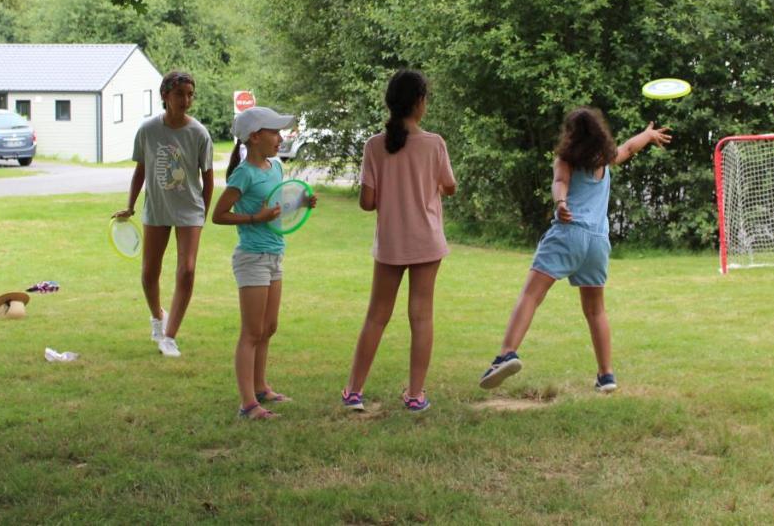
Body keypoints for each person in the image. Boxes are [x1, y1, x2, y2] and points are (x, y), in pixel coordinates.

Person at [479, 108, 670, 394]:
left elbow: (560, 182)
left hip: (568, 235)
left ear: (571, 135)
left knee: (531, 295)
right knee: (595, 310)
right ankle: (606, 375)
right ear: (600, 134)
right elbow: (629, 147)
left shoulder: (565, 159)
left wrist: (561, 204)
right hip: (597, 241)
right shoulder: (605, 160)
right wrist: (649, 134)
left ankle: (507, 353)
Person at [341, 70, 456, 414]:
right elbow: (449, 186)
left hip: (391, 243)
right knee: (421, 317)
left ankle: (353, 392)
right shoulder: (434, 143)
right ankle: (416, 395)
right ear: (419, 102)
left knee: (376, 316)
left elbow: (367, 202)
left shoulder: (374, 145)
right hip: (427, 241)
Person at [212, 106, 315, 420]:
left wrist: (301, 202)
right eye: (274, 132)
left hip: (274, 254)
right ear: (255, 138)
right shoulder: (243, 173)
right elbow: (219, 215)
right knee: (251, 331)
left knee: (269, 328)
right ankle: (248, 405)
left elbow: (278, 206)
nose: (280, 138)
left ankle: (260, 388)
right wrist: (255, 217)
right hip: (252, 258)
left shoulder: (275, 168)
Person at [113, 71, 214, 358]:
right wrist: (131, 205)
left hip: (189, 211)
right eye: (180, 94)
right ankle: (157, 317)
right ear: (165, 96)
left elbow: (208, 178)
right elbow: (140, 171)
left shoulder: (199, 134)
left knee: (187, 270)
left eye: (190, 94)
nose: (186, 100)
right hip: (156, 209)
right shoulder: (148, 131)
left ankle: (170, 337)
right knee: (149, 272)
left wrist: (202, 215)